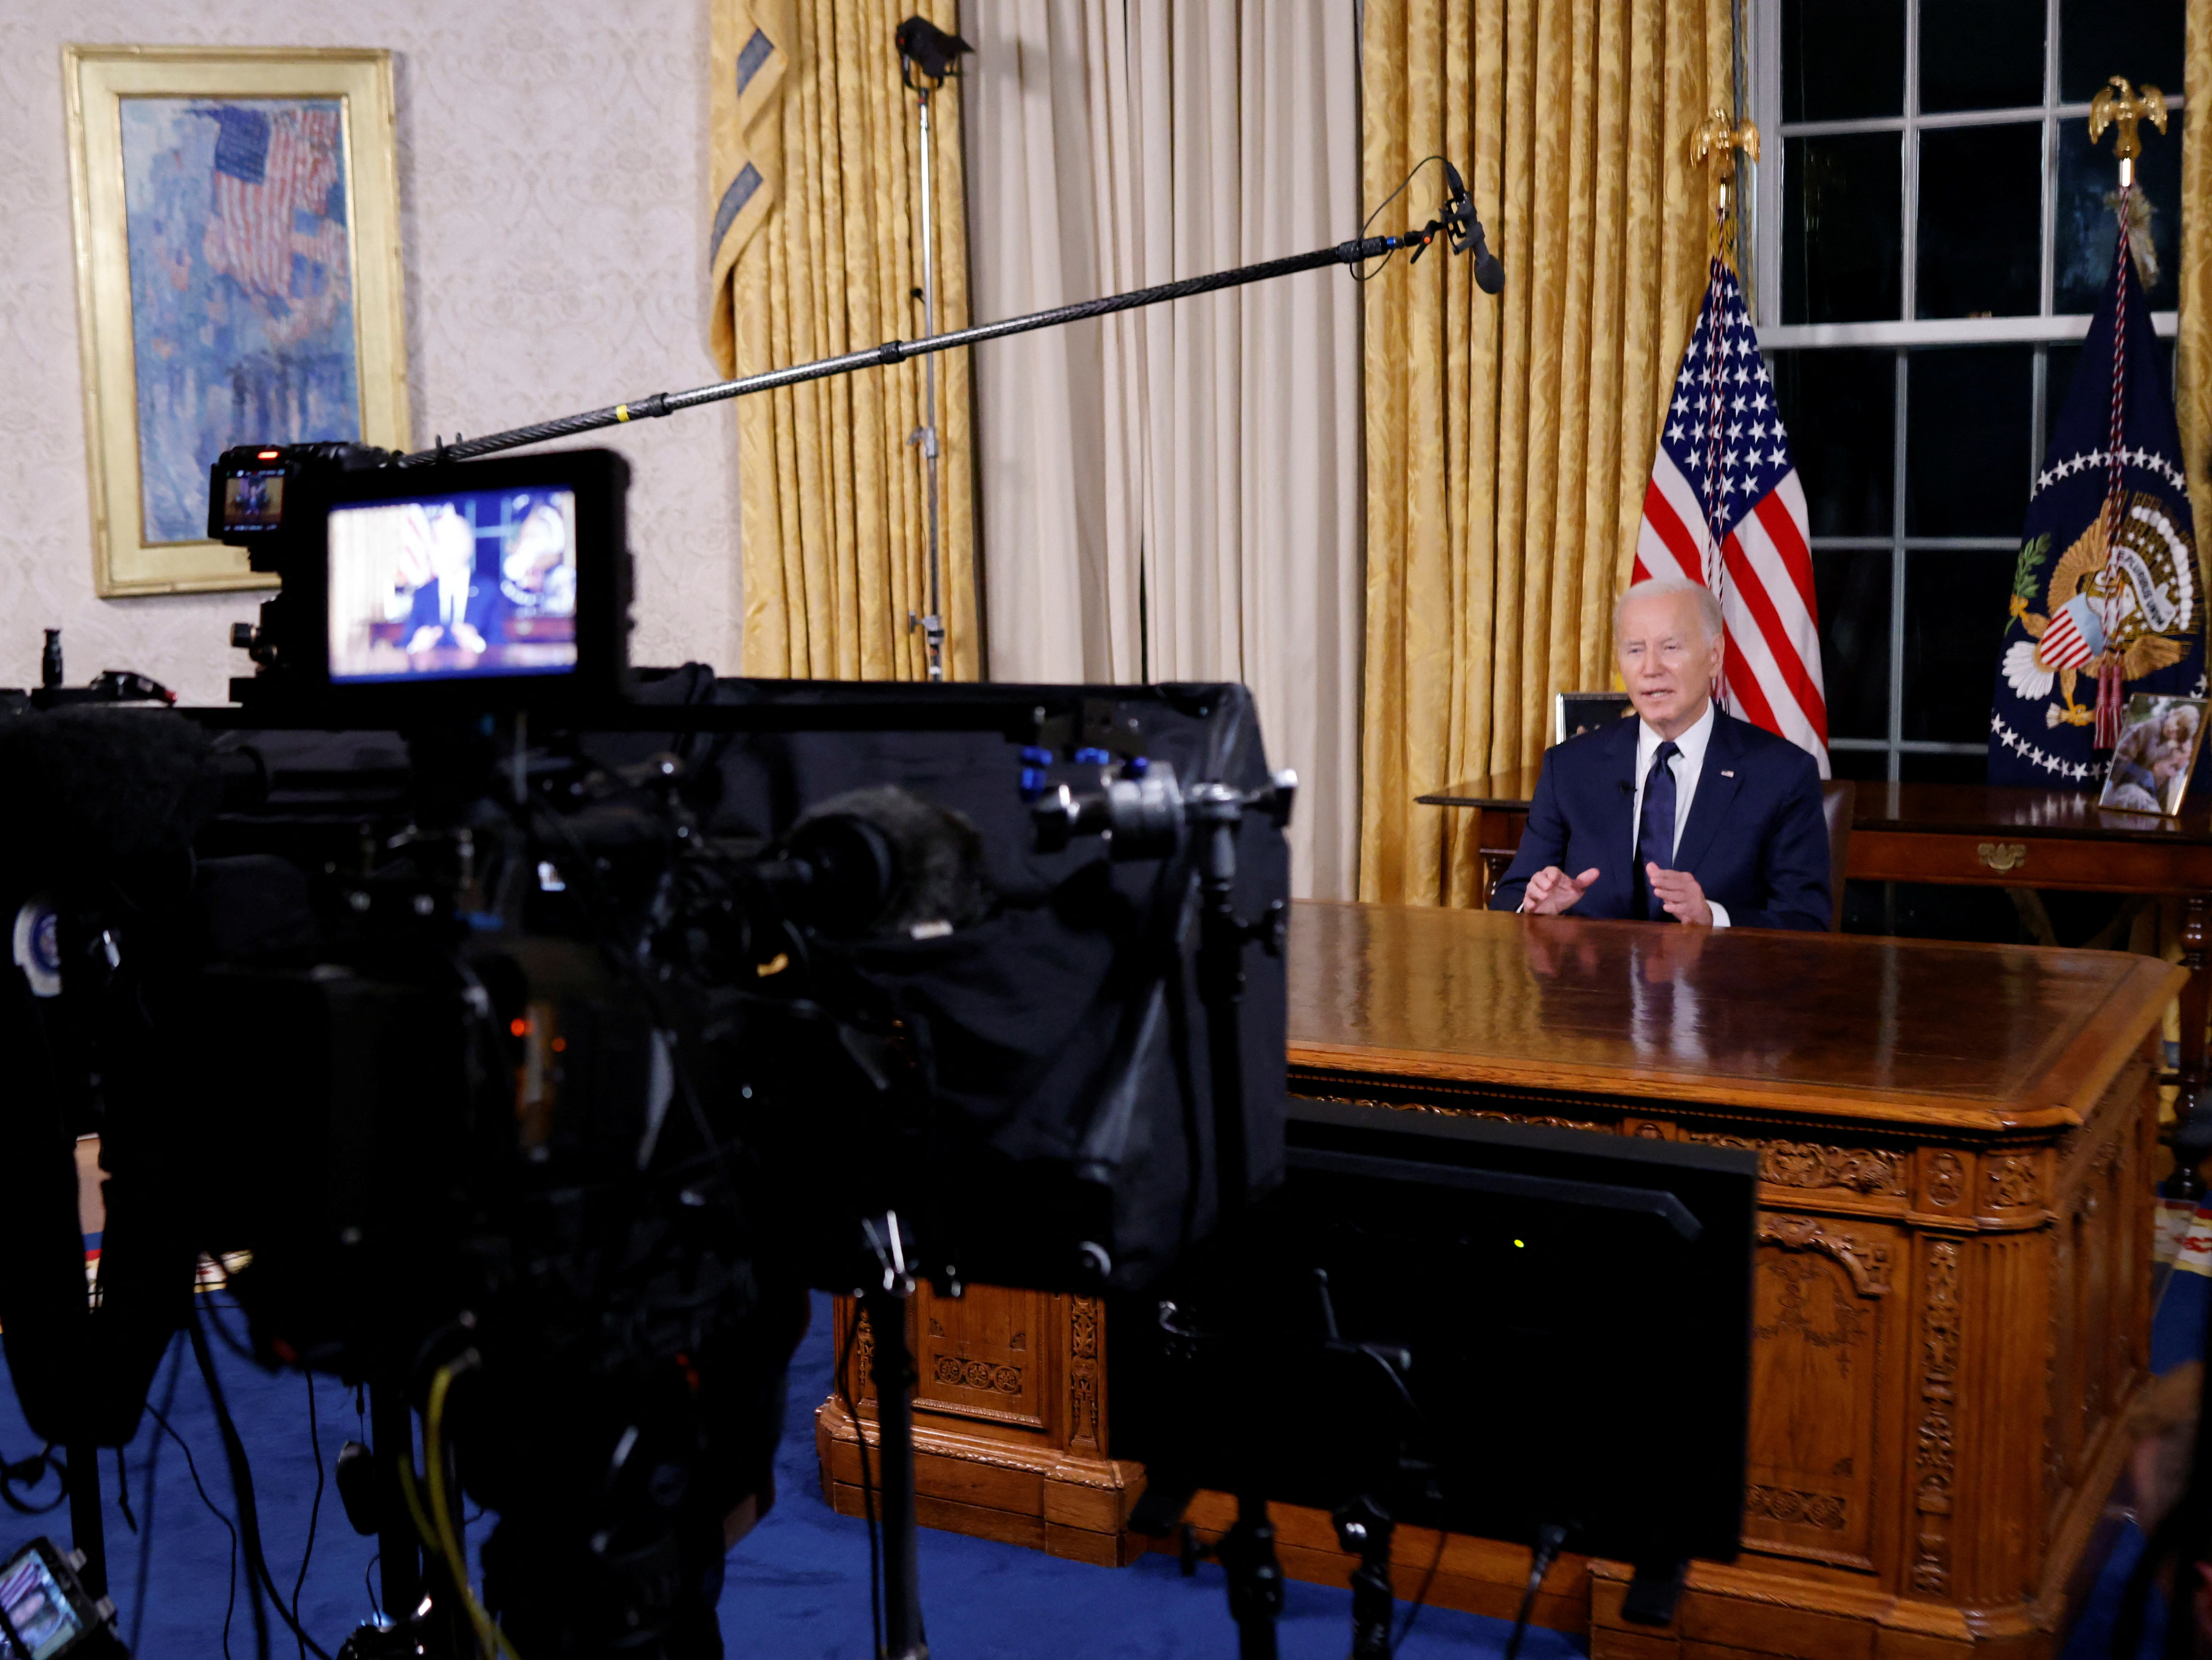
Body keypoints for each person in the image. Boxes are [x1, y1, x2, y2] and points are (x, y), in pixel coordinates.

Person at [1488, 576, 1832, 930]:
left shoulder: (1781, 774)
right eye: (1635, 650)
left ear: (1715, 657)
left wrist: (1713, 919)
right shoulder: (1570, 768)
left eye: (1670, 648)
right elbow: (1510, 898)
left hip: (1718, 983)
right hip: (1596, 984)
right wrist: (1536, 908)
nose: (1651, 669)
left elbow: (1806, 923)